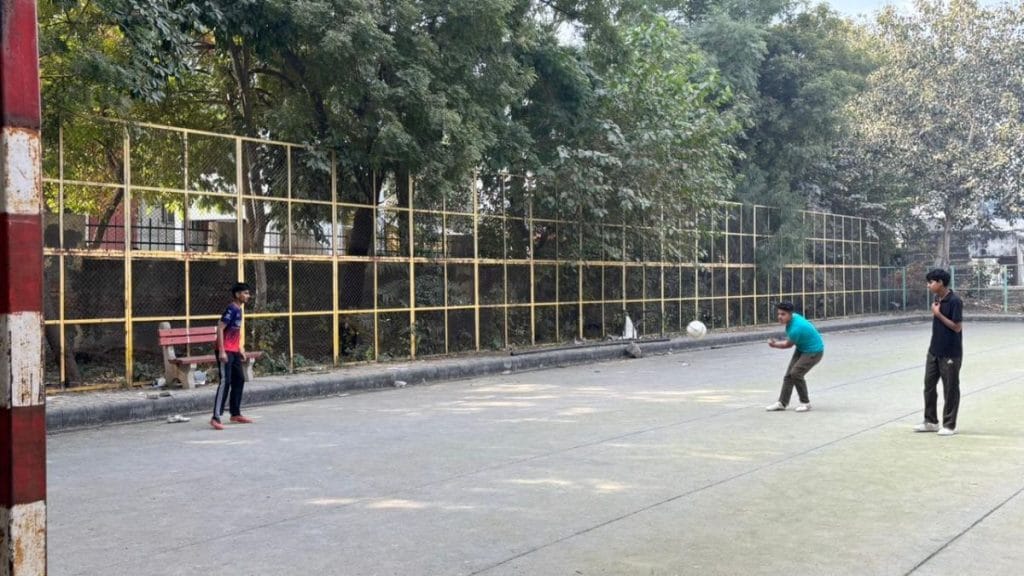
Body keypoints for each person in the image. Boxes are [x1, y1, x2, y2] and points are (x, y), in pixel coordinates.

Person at [913, 268, 963, 436]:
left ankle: (949, 425)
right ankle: (930, 421)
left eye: (931, 282)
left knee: (950, 388)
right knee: (928, 386)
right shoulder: (937, 299)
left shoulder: (955, 300)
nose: (928, 285)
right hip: (934, 351)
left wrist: (938, 314)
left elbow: (957, 327)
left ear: (940, 282)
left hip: (950, 353)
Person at [765, 301, 825, 412]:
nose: (780, 317)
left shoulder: (796, 328)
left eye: (783, 314)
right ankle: (782, 403)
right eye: (778, 314)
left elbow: (787, 345)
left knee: (796, 373)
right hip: (802, 348)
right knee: (789, 375)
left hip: (814, 351)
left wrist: (773, 345)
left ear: (790, 314)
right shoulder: (793, 319)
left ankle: (805, 403)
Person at [211, 282, 255, 430]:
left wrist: (240, 347)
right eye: (245, 293)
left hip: (234, 350)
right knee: (226, 381)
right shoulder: (231, 309)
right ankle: (216, 417)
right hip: (225, 351)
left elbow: (235, 332)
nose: (248, 296)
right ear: (237, 295)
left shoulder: (240, 309)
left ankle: (235, 413)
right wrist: (222, 351)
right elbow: (220, 328)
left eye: (248, 293)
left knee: (240, 379)